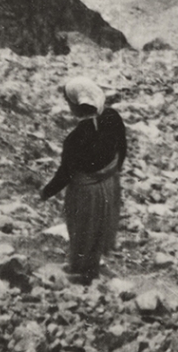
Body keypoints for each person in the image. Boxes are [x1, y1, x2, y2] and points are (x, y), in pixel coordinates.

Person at [39, 77, 128, 283]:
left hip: (85, 191)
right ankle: (92, 267)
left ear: (76, 105)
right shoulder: (113, 119)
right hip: (109, 185)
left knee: (82, 229)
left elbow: (66, 173)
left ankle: (81, 271)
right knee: (99, 228)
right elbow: (121, 151)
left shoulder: (75, 137)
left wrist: (46, 192)